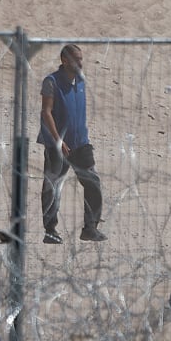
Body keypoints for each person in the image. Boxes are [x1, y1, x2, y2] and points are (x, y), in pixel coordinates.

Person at [39, 44, 106, 244]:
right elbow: (46, 112)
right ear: (65, 60)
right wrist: (58, 139)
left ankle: (90, 228)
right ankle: (50, 231)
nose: (80, 63)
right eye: (76, 59)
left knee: (93, 183)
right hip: (57, 145)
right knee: (52, 187)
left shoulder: (81, 80)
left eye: (81, 59)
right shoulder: (51, 82)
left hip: (81, 144)